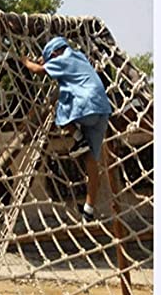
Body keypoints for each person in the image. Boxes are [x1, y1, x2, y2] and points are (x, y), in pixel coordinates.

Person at [20, 36, 111, 222]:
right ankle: (88, 210)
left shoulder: (62, 59)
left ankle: (78, 137)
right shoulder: (79, 56)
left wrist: (25, 61)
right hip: (102, 110)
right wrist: (47, 60)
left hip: (86, 106)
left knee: (60, 110)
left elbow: (38, 70)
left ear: (54, 54)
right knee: (92, 160)